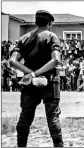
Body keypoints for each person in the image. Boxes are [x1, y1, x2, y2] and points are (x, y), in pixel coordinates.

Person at [9, 10, 64, 147]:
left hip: (29, 83)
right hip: (50, 81)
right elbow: (56, 60)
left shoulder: (24, 38)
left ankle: (21, 145)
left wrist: (30, 73)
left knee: (25, 116)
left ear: (35, 23)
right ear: (49, 23)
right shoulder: (51, 36)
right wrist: (36, 74)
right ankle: (58, 145)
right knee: (53, 117)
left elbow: (13, 61)